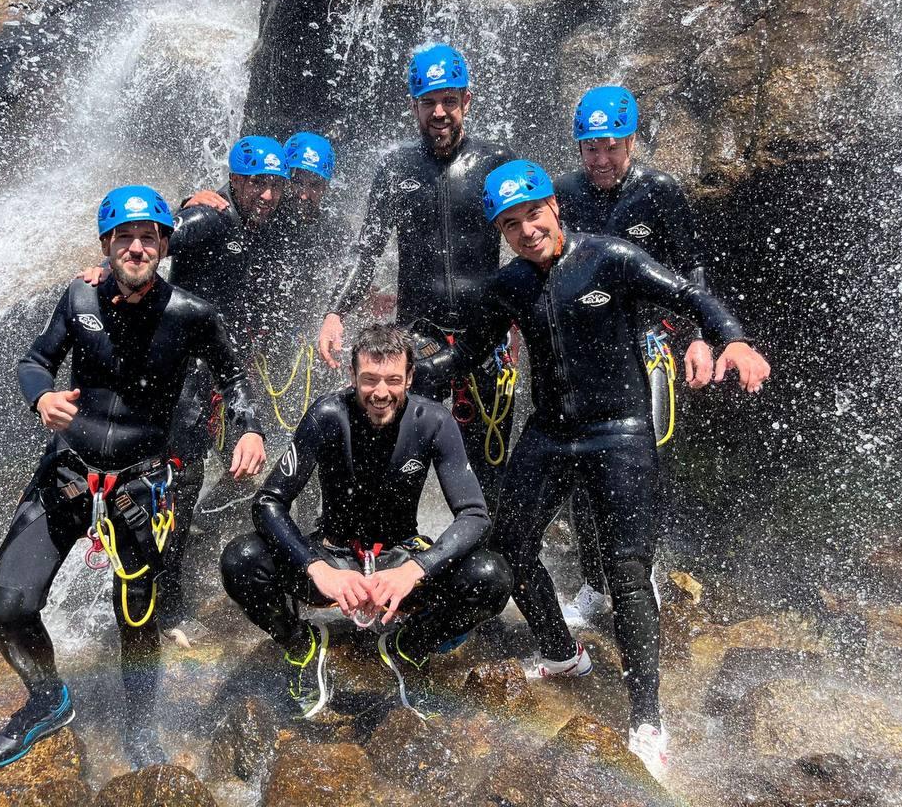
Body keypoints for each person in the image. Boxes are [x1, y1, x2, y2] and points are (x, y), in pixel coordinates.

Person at [439, 161, 769, 774]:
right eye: (510, 224)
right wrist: (400, 382)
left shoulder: (609, 258)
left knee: (625, 567)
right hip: (550, 432)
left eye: (533, 215)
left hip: (619, 431)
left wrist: (733, 339)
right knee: (508, 547)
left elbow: (690, 293)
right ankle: (562, 653)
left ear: (554, 209)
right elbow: (466, 353)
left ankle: (646, 716)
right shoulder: (509, 284)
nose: (526, 230)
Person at [0, 185, 266, 769]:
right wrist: (41, 398)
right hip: (67, 473)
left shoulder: (191, 313)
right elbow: (35, 360)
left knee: (136, 613)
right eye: (124, 237)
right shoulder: (79, 299)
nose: (136, 248)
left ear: (165, 244)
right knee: (9, 608)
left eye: (147, 237)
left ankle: (140, 727)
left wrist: (249, 429)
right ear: (106, 243)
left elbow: (235, 380)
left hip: (139, 484)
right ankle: (47, 699)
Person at [220, 323, 512, 720]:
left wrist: (415, 569)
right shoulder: (327, 415)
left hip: (401, 560)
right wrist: (319, 568)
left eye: (393, 380)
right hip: (335, 557)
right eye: (369, 379)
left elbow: (475, 515)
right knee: (241, 559)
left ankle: (409, 646)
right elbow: (269, 502)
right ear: (353, 376)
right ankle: (302, 645)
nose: (380, 393)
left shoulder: (434, 421)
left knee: (493, 575)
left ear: (410, 377)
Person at [79, 139, 292, 639]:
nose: (266, 195)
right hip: (187, 382)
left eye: (274, 185)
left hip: (220, 373)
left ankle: (184, 557)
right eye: (256, 183)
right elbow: (150, 242)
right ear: (235, 181)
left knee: (230, 476)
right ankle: (162, 603)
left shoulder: (258, 224)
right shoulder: (214, 217)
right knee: (176, 485)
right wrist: (106, 272)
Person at [317, 44, 516, 510]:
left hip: (482, 337)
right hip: (417, 340)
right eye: (429, 102)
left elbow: (534, 242)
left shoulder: (496, 162)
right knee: (391, 462)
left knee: (487, 470)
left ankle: (483, 564)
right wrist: (335, 311)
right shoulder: (396, 167)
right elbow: (366, 250)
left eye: (449, 100)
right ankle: (387, 558)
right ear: (414, 107)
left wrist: (522, 311)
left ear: (467, 101)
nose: (440, 112)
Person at [555, 85, 714, 624]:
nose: (600, 160)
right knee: (580, 468)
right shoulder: (563, 193)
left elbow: (690, 270)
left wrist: (699, 337)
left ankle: (636, 575)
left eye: (611, 147)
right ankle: (595, 583)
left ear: (631, 142)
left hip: (649, 342)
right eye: (590, 148)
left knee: (641, 465)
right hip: (580, 346)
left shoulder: (659, 191)